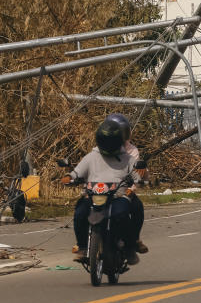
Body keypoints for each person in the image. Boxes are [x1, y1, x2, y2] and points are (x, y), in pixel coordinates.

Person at [63, 118, 143, 264]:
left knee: (123, 213)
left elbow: (138, 174)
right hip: (93, 195)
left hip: (118, 196)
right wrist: (70, 177)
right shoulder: (91, 156)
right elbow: (78, 172)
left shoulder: (128, 158)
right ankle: (82, 246)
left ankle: (129, 247)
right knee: (80, 213)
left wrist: (142, 177)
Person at [105, 113, 148, 255]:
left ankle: (135, 239)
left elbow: (136, 172)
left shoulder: (132, 150)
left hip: (122, 188)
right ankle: (83, 242)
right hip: (101, 188)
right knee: (84, 208)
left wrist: (133, 188)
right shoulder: (100, 148)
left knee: (137, 207)